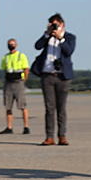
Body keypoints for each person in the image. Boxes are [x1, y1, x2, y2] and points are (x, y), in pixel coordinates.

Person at [31, 14, 76, 146]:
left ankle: (62, 136)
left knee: (61, 108)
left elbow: (69, 51)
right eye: (52, 24)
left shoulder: (70, 37)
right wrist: (47, 34)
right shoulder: (47, 37)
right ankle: (49, 137)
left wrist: (60, 38)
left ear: (62, 24)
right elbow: (37, 46)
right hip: (47, 76)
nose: (54, 27)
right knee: (49, 108)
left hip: (62, 77)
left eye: (56, 24)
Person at [0, 38, 30, 135]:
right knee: (8, 106)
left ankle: (26, 126)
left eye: (12, 44)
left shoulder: (21, 56)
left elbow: (26, 69)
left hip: (18, 82)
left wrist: (23, 81)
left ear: (16, 45)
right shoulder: (5, 57)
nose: (11, 46)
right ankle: (9, 127)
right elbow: (4, 69)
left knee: (22, 105)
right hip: (9, 82)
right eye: (9, 44)